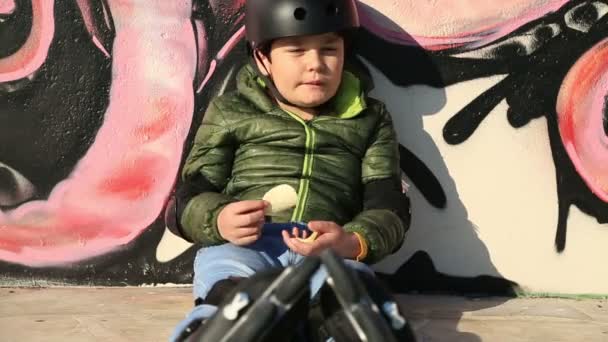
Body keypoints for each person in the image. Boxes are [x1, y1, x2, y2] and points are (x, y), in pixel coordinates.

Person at [168, 0, 411, 339]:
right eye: (297, 51)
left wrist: (353, 242)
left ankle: (356, 328)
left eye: (329, 49)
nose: (316, 65)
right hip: (245, 247)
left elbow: (389, 206)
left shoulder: (370, 119)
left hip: (327, 251)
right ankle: (219, 329)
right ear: (263, 58)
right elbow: (185, 200)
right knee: (234, 293)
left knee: (349, 294)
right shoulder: (230, 111)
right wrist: (219, 219)